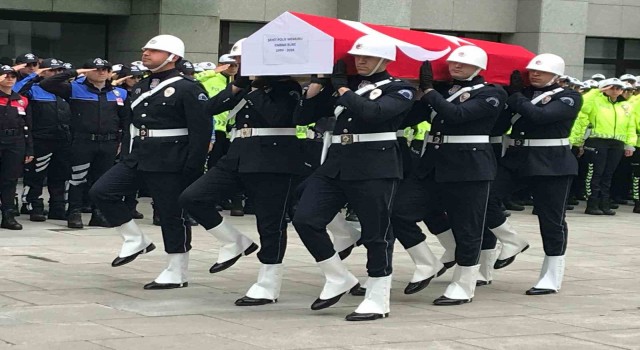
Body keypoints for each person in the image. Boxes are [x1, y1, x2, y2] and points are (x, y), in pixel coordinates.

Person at [292, 34, 415, 321]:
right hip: (336, 164)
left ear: (385, 60)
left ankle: (378, 297)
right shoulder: (344, 86)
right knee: (305, 218)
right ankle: (338, 277)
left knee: (376, 233)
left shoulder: (401, 89)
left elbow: (373, 113)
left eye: (368, 57)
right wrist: (318, 86)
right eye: (357, 56)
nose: (360, 61)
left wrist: (344, 89)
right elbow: (303, 117)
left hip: (375, 165)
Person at [179, 37, 306, 305]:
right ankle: (233, 241)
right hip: (238, 155)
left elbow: (276, 116)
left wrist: (255, 87)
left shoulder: (287, 86)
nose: (238, 66)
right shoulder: (245, 85)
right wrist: (238, 86)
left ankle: (268, 282)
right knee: (193, 197)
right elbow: (210, 109)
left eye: (242, 62)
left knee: (270, 223)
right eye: (237, 62)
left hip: (274, 158)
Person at [90, 34, 211, 289]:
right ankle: (135, 239)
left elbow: (200, 132)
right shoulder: (141, 86)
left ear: (173, 57)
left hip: (171, 159)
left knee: (170, 214)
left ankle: (177, 270)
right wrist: (126, 155)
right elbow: (131, 124)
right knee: (102, 192)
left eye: (154, 50)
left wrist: (193, 167)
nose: (146, 53)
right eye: (145, 49)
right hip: (138, 155)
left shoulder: (188, 88)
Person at [391, 45, 506, 306]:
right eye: (453, 63)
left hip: (469, 169)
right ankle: (426, 261)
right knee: (398, 211)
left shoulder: (491, 94)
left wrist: (430, 91)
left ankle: (464, 284)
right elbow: (408, 118)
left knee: (468, 227)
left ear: (478, 68)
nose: (456, 67)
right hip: (432, 166)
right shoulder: (443, 91)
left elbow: (457, 115)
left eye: (463, 65)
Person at [502, 53, 582, 295]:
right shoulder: (523, 94)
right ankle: (511, 241)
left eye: (542, 71)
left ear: (556, 76)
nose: (534, 74)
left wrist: (515, 96)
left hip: (552, 163)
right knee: (484, 199)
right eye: (532, 70)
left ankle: (551, 274)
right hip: (517, 160)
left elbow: (541, 116)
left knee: (551, 220)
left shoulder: (569, 97)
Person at [39, 58, 128, 228]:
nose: (102, 72)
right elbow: (47, 84)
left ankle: (98, 213)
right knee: (77, 179)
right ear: (87, 72)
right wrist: (75, 72)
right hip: (82, 141)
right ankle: (74, 212)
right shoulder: (74, 88)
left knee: (101, 181)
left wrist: (122, 142)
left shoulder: (120, 93)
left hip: (108, 142)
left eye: (106, 69)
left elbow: (125, 120)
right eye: (97, 69)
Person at [13, 58, 72, 221]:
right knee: (36, 175)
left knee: (60, 174)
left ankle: (57, 207)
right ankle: (34, 206)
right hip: (40, 138)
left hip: (63, 138)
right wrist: (33, 75)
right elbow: (15, 91)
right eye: (52, 70)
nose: (57, 74)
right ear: (43, 71)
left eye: (59, 71)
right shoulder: (33, 88)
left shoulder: (65, 89)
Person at [570, 78, 637, 215]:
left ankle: (604, 204)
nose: (615, 91)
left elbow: (630, 126)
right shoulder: (595, 101)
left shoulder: (625, 106)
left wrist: (630, 144)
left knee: (608, 175)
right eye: (612, 88)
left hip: (616, 143)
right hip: (597, 142)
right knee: (595, 174)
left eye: (619, 88)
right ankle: (592, 204)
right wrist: (596, 91)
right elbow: (583, 106)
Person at [0, 65, 33, 229]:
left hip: (15, 141)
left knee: (10, 180)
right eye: (5, 75)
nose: (9, 78)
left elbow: (28, 126)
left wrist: (29, 149)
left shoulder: (21, 99)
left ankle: (8, 215)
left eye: (13, 75)